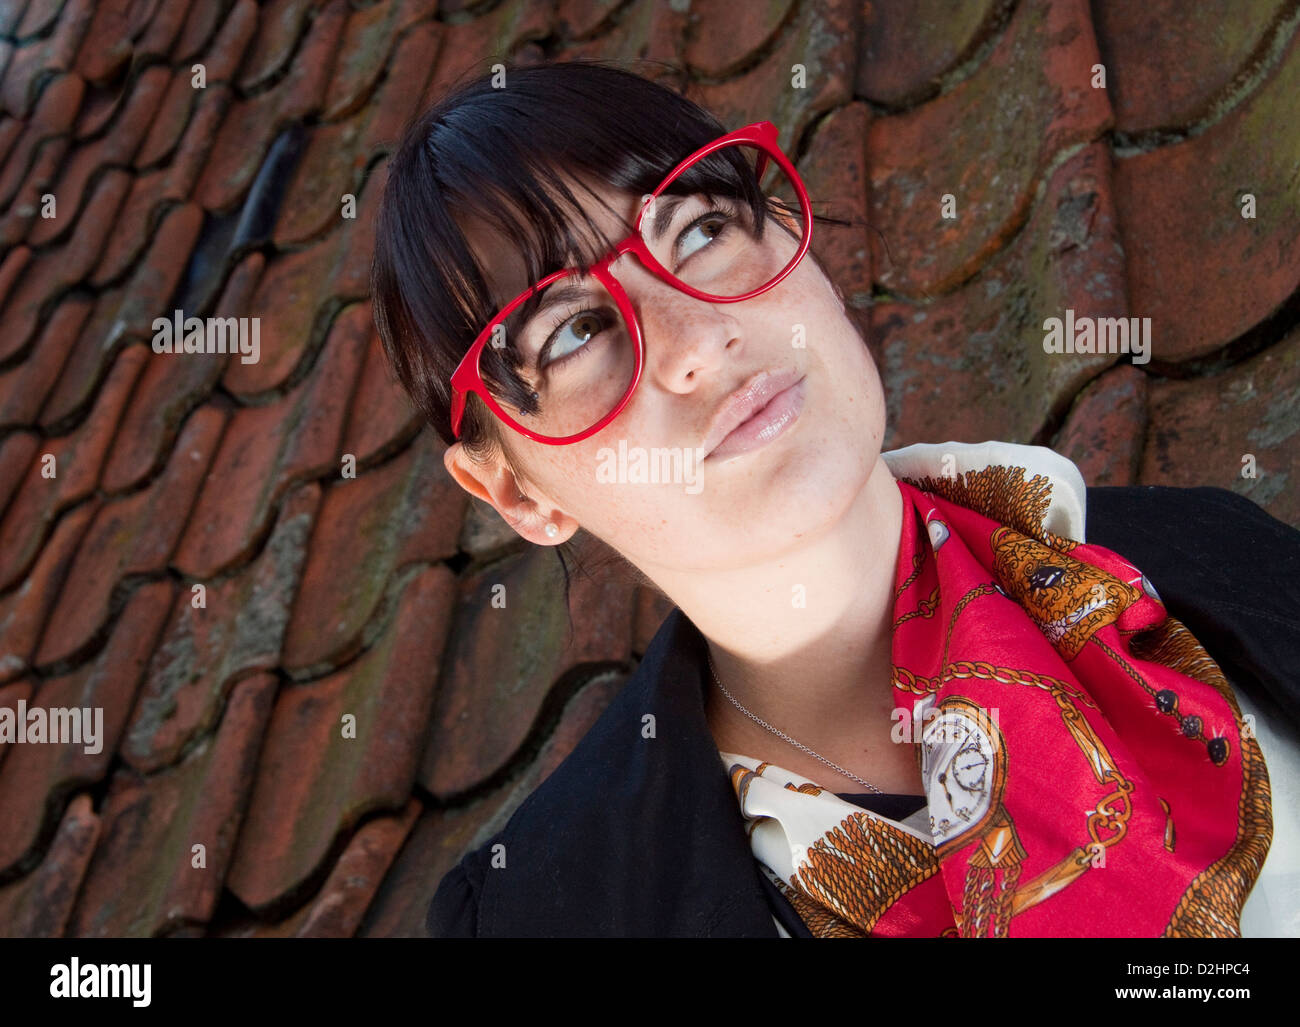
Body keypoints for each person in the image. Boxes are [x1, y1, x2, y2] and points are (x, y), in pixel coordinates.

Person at [369, 59, 1300, 937]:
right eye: (571, 332)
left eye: (698, 230)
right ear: (514, 492)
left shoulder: (1212, 549)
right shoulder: (543, 915)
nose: (699, 339)